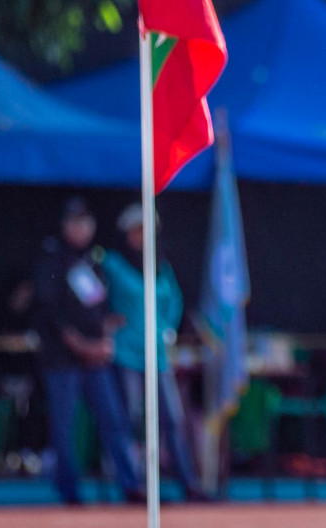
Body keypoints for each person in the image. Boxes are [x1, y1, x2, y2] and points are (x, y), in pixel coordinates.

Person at [31, 197, 142, 506]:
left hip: (95, 359)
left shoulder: (93, 260)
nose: (82, 228)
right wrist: (81, 344)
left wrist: (105, 335)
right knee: (64, 428)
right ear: (65, 226)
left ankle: (130, 484)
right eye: (75, 222)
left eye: (86, 222)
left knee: (114, 420)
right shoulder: (52, 260)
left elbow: (96, 307)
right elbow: (51, 314)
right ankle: (70, 492)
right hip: (63, 359)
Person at [103, 203, 206, 501]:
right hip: (125, 353)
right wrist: (102, 322)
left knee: (172, 419)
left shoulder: (160, 266)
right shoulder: (112, 263)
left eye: (146, 229)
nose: (141, 236)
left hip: (157, 355)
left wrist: (166, 328)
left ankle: (189, 484)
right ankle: (134, 484)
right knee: (131, 419)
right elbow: (95, 299)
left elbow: (173, 301)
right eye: (135, 230)